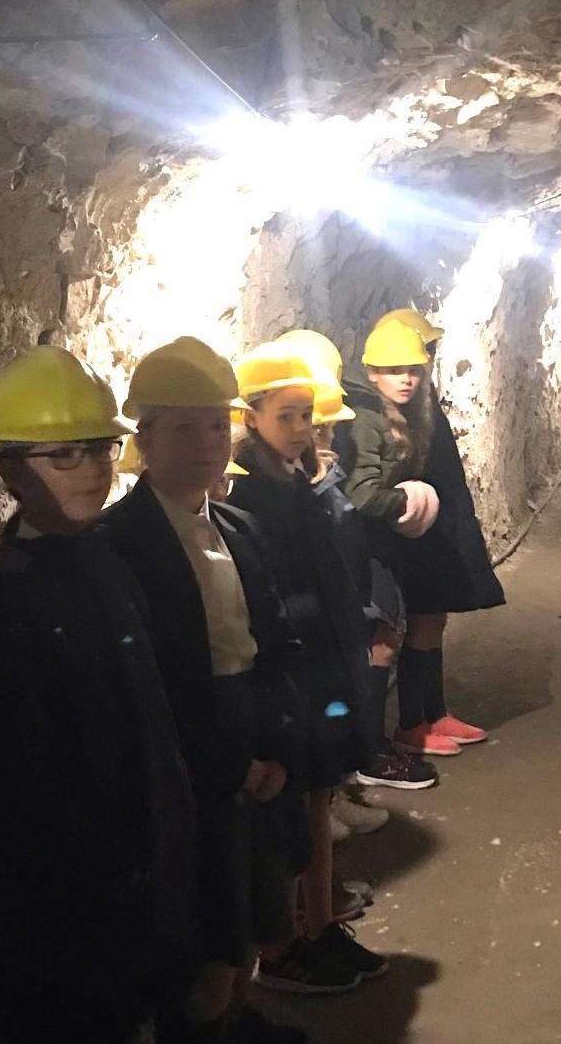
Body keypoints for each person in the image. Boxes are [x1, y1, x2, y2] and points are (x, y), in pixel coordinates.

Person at [0, 348, 198, 1044]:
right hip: (75, 920)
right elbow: (20, 793)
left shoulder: (106, 561)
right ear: (8, 469)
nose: (93, 469)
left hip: (142, 884)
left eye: (102, 448)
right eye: (67, 455)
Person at [99, 336, 309, 1041]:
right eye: (183, 427)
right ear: (146, 437)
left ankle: (236, 1017)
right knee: (201, 940)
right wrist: (226, 764)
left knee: (251, 916)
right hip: (188, 766)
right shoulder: (118, 544)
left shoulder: (239, 528)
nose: (205, 443)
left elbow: (271, 646)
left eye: (216, 425)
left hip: (250, 738)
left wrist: (278, 745)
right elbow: (148, 685)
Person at [227, 343, 388, 994]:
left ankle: (318, 926)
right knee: (299, 804)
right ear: (253, 417)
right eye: (288, 416)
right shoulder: (251, 497)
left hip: (324, 661)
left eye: (309, 419)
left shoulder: (300, 484)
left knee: (318, 794)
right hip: (298, 668)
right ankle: (297, 937)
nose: (302, 431)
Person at [280, 329, 439, 793]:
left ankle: (349, 768)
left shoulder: (360, 432)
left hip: (356, 555)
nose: (322, 434)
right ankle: (362, 756)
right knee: (373, 648)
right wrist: (406, 502)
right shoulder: (360, 429)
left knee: (372, 647)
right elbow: (361, 496)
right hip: (356, 559)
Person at [372, 309, 502, 750]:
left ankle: (434, 713)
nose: (419, 366)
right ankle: (413, 723)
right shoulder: (380, 417)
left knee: (432, 623)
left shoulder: (423, 409)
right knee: (413, 627)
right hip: (406, 538)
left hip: (432, 535)